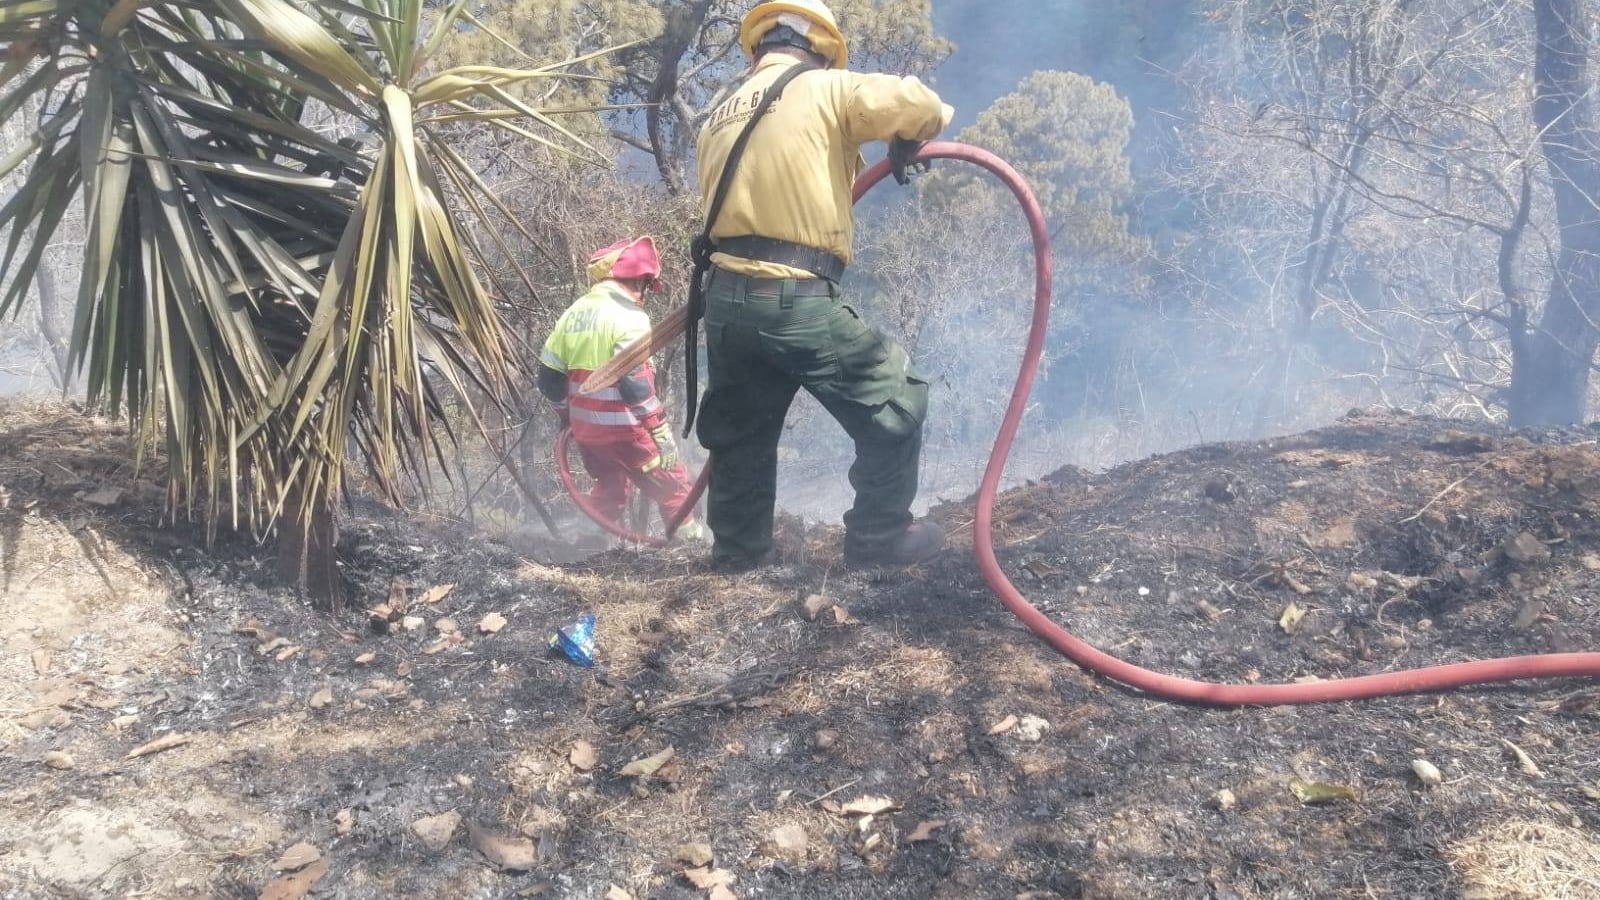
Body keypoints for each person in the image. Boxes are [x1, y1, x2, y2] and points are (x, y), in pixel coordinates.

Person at [693, 0, 953, 570]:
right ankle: (879, 539)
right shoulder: (826, 89)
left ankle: (738, 557)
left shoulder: (720, 109)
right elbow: (921, 106)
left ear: (758, 45)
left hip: (726, 302)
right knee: (898, 404)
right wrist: (904, 135)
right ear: (822, 47)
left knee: (740, 437)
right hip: (793, 300)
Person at [538, 237, 705, 542]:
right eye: (645, 284)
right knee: (674, 487)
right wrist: (660, 432)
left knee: (610, 488)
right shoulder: (628, 316)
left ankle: (585, 550)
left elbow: (548, 379)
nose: (645, 294)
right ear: (636, 279)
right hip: (626, 432)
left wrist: (568, 417)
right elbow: (634, 382)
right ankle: (690, 553)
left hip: (588, 434)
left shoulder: (573, 313)